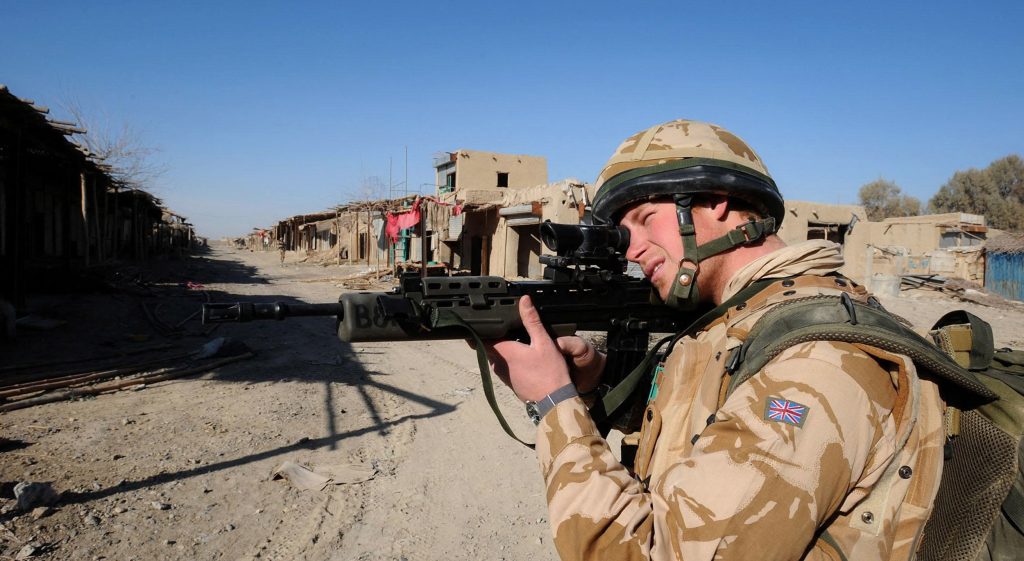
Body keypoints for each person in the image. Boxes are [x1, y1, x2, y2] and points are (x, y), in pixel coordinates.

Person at [486, 119, 945, 561]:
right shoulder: (740, 319)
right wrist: (599, 378)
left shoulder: (815, 363)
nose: (631, 248)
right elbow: (707, 428)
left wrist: (554, 402)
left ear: (718, 203)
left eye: (646, 219)